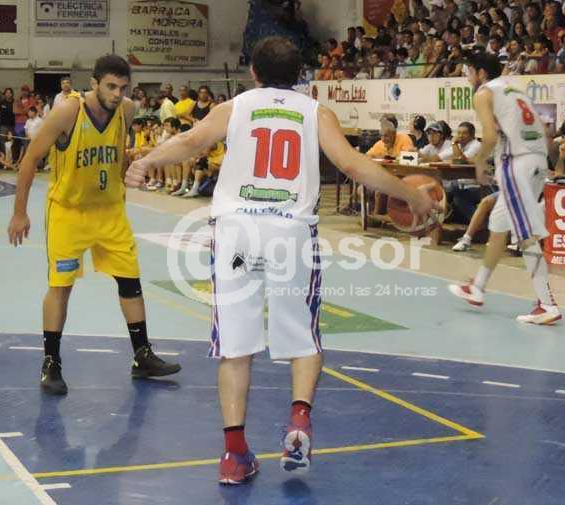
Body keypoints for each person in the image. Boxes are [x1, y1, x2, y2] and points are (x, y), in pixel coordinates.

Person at [123, 36, 436, 485]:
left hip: (236, 232)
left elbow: (191, 141)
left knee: (235, 346)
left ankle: (234, 456)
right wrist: (411, 194)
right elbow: (352, 166)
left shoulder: (235, 107)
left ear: (254, 72)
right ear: (300, 75)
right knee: (302, 335)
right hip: (290, 232)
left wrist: (147, 160)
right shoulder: (316, 112)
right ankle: (299, 420)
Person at [7, 54, 181, 396]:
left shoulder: (126, 110)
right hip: (69, 212)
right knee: (61, 285)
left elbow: (116, 151)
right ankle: (51, 363)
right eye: (111, 86)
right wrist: (19, 213)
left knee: (130, 280)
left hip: (110, 211)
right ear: (94, 83)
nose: (117, 94)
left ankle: (142, 355)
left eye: (123, 88)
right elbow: (30, 159)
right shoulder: (68, 111)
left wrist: (125, 176)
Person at [449, 51, 561, 325]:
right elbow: (541, 128)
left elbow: (488, 136)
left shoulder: (483, 93)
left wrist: (479, 162)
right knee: (499, 225)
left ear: (481, 73)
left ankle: (547, 304)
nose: (467, 78)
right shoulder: (513, 88)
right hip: (536, 159)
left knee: (525, 234)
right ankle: (478, 287)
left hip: (516, 164)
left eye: (469, 72)